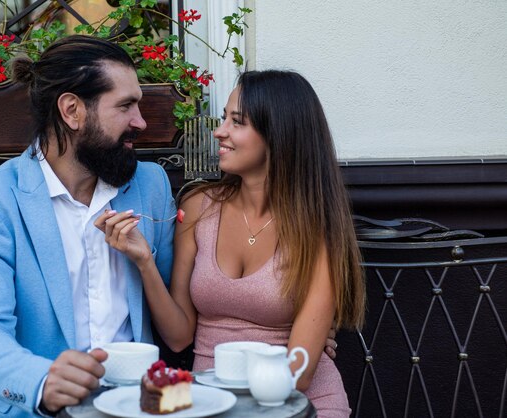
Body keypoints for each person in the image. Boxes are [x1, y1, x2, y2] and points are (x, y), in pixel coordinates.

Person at [97, 69, 365, 417]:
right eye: (224, 118)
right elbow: (179, 336)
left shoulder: (317, 230)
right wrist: (145, 262)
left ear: (278, 134)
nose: (219, 131)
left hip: (299, 405)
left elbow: (298, 377)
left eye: (237, 122)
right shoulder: (198, 207)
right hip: (209, 405)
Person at [0, 35, 176, 417]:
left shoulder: (150, 185)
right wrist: (42, 382)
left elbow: (172, 307)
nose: (141, 121)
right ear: (72, 110)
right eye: (126, 106)